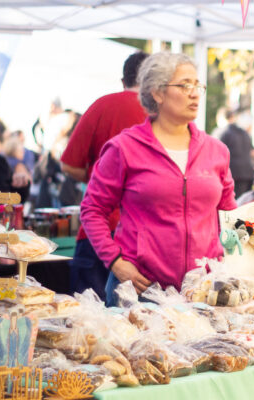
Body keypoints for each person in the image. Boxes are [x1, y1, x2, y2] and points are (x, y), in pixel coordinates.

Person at [80, 52, 237, 306]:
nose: (195, 93)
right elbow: (92, 209)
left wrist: (232, 261)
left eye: (198, 85)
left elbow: (229, 215)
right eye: (185, 85)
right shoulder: (124, 148)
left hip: (202, 293)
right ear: (157, 92)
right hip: (140, 292)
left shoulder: (217, 151)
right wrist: (115, 262)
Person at [60, 51, 148, 298]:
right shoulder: (163, 116)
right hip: (143, 234)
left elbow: (68, 165)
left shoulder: (103, 105)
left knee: (88, 321)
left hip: (97, 226)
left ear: (124, 81)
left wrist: (102, 178)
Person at [220, 109, 254, 198]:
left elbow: (219, 155)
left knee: (235, 203)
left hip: (234, 174)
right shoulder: (245, 133)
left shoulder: (225, 133)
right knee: (245, 203)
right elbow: (252, 151)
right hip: (248, 173)